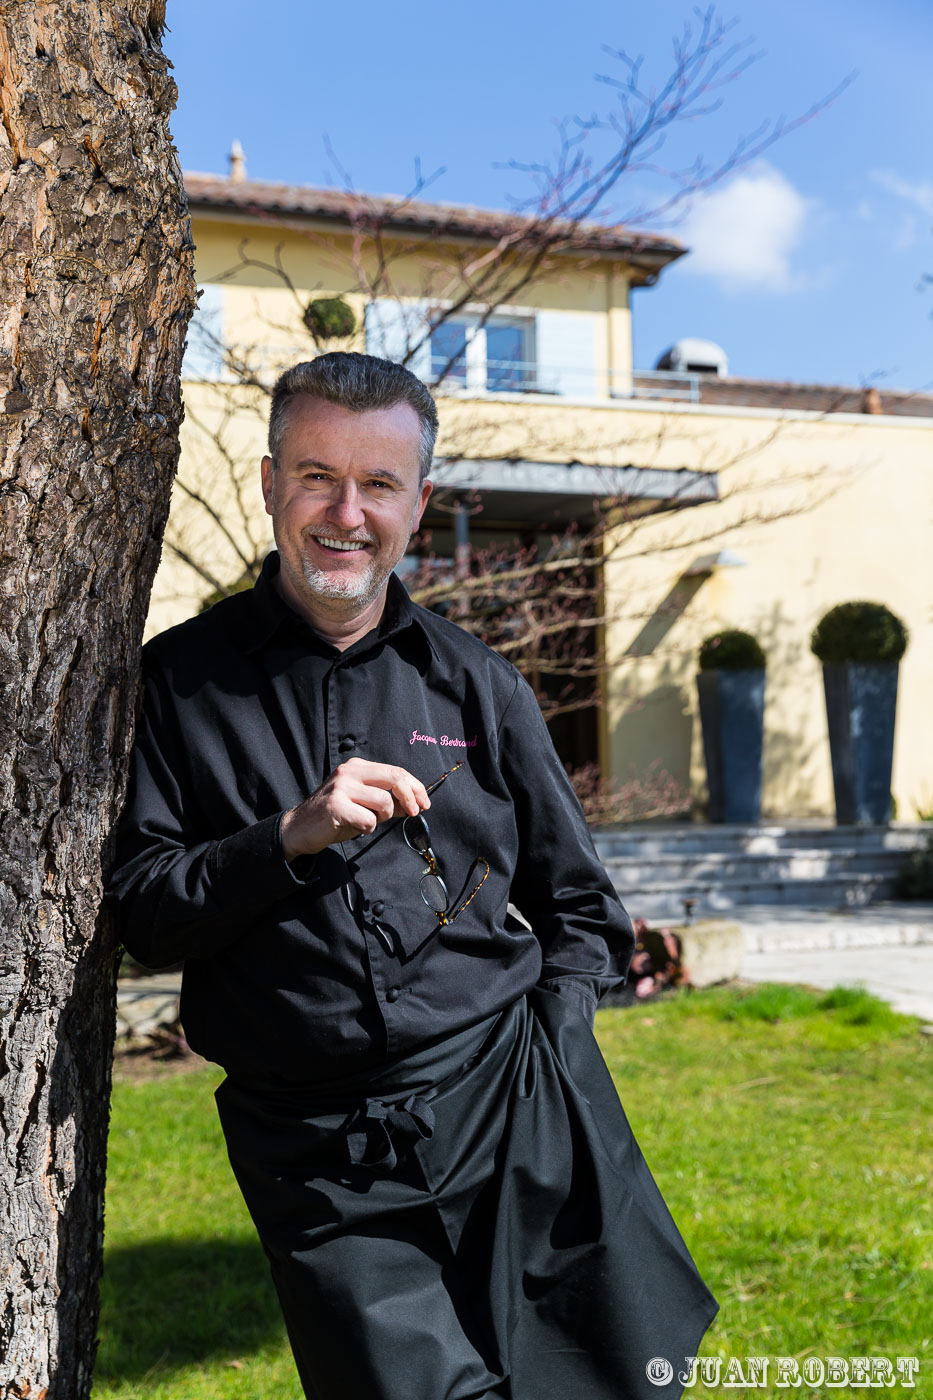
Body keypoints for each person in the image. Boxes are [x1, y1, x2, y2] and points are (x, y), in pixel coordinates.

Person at [110, 352, 717, 1400]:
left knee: (598, 1379)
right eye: (317, 477)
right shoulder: (176, 682)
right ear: (268, 483)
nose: (346, 513)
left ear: (419, 504)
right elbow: (145, 914)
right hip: (316, 1155)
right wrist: (286, 838)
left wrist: (557, 1055)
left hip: (513, 1108)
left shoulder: (482, 684)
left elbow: (581, 909)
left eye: (378, 484)